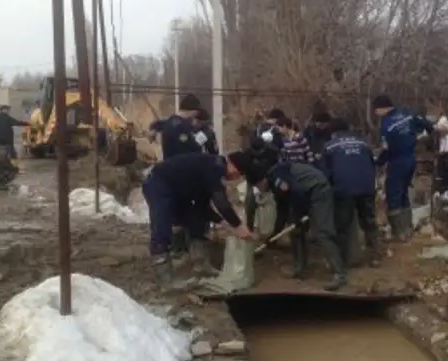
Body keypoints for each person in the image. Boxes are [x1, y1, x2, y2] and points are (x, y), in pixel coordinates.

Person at [142, 152, 254, 282]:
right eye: (238, 172)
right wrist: (238, 226)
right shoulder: (214, 167)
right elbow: (221, 203)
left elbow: (202, 208)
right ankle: (166, 279)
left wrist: (224, 222)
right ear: (231, 163)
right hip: (158, 183)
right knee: (162, 225)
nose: (236, 176)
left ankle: (201, 264)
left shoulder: (211, 171)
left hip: (178, 190)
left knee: (196, 219)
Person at [247, 160, 347, 291]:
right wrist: (274, 235)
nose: (258, 189)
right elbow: (282, 211)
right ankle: (299, 268)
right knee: (295, 231)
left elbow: (297, 192)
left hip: (318, 190)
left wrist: (299, 217)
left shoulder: (278, 179)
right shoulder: (274, 184)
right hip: (305, 194)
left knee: (322, 233)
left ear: (263, 180)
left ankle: (339, 274)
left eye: (258, 186)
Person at [372, 94, 434, 241]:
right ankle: (408, 229)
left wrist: (378, 162)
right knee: (404, 193)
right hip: (411, 159)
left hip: (397, 162)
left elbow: (387, 149)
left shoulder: (386, 124)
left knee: (393, 194)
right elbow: (426, 125)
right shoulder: (407, 113)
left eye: (376, 110)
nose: (375, 113)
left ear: (382, 108)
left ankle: (399, 233)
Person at [322, 117, 380, 267]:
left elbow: (325, 172)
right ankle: (375, 257)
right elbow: (372, 164)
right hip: (367, 187)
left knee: (342, 226)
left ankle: (342, 260)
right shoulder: (363, 143)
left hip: (344, 189)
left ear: (332, 131)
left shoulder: (329, 146)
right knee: (369, 222)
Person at [148, 93, 202, 160]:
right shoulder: (182, 126)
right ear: (193, 111)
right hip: (181, 166)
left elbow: (158, 124)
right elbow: (194, 148)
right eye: (197, 112)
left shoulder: (171, 121)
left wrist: (153, 129)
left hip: (169, 164)